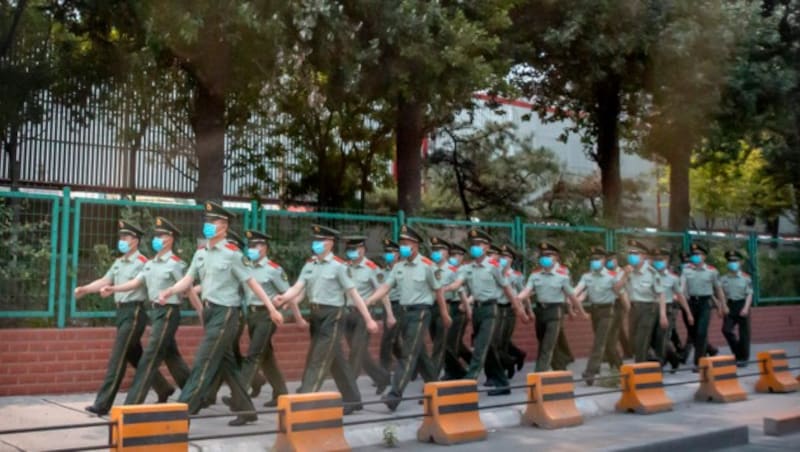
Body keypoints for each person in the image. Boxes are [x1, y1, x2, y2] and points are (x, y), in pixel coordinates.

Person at [158, 201, 283, 426]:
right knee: (227, 364)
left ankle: (182, 412)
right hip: (209, 312)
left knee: (204, 360)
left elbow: (252, 282)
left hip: (227, 313)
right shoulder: (201, 253)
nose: (208, 225)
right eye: (206, 221)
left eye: (213, 221)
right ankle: (247, 410)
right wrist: (170, 290)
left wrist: (272, 309)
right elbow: (189, 279)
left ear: (224, 226)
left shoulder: (233, 254)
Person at [273, 224, 379, 415]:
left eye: (320, 240)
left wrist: (369, 319)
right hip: (316, 316)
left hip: (334, 315)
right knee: (336, 359)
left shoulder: (339, 267)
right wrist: (284, 298)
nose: (316, 244)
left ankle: (302, 404)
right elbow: (298, 287)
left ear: (330, 243)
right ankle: (353, 399)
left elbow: (354, 295)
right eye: (315, 240)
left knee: (318, 358)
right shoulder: (310, 264)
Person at [76, 220, 174, 415]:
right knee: (135, 356)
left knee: (117, 359)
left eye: (126, 237)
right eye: (120, 237)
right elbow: (105, 280)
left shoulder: (143, 263)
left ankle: (102, 404)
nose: (121, 240)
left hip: (134, 313)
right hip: (121, 313)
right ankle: (164, 387)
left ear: (135, 241)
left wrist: (112, 289)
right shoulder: (119, 262)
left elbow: (138, 285)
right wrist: (85, 289)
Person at [101, 217, 200, 406]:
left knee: (149, 357)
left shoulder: (176, 264)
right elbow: (136, 283)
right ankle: (194, 392)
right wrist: (114, 289)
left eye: (162, 235)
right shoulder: (150, 264)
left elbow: (187, 289)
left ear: (170, 239)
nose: (157, 238)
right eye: (156, 235)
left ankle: (132, 404)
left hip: (170, 311)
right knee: (172, 356)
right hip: (156, 313)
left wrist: (201, 312)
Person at [365, 225, 451, 411]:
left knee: (408, 354)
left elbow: (439, 291)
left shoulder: (428, 266)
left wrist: (444, 314)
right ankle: (436, 388)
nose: (402, 246)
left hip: (421, 313)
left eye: (405, 243)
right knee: (419, 355)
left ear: (415, 245)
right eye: (401, 243)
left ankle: (394, 395)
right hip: (404, 313)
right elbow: (386, 287)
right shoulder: (398, 267)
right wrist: (370, 300)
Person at [443, 230, 527, 395]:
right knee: (488, 348)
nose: (476, 247)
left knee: (480, 347)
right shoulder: (468, 268)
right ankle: (503, 384)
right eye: (473, 244)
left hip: (491, 309)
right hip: (477, 311)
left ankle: (469, 380)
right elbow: (457, 283)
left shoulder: (494, 267)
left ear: (487, 247)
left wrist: (518, 308)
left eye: (479, 244)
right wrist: (443, 288)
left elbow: (506, 288)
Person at [238, 230, 305, 407]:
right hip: (251, 315)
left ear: (264, 248)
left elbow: (288, 294)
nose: (251, 249)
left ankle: (239, 395)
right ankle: (280, 393)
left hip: (268, 316)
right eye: (250, 246)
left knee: (253, 354)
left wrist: (298, 318)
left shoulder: (273, 270)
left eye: (255, 246)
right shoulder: (246, 267)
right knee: (266, 357)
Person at [516, 241, 581, 372]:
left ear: (556, 257)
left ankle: (540, 373)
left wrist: (573, 310)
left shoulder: (563, 273)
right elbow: (528, 290)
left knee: (548, 344)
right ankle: (561, 365)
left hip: (556, 310)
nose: (545, 258)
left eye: (549, 255)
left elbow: (570, 294)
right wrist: (518, 298)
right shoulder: (535, 275)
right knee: (546, 341)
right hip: (540, 310)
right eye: (542, 255)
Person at [342, 235, 392, 394]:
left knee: (356, 352)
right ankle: (382, 377)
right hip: (347, 314)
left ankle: (349, 391)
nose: (351, 252)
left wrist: (389, 314)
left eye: (355, 249)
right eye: (349, 249)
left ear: (362, 250)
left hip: (365, 315)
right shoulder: (343, 267)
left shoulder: (371, 268)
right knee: (361, 352)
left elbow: (383, 292)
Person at [573, 246, 621, 385]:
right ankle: (621, 368)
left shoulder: (612, 276)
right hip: (595, 311)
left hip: (608, 312)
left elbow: (620, 293)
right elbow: (579, 290)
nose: (594, 261)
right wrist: (571, 298)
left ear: (604, 260)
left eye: (598, 259)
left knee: (599, 342)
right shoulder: (587, 276)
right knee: (608, 343)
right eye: (592, 259)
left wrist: (627, 308)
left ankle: (590, 372)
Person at [615, 240, 668, 363]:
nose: (632, 256)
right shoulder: (626, 271)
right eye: (630, 253)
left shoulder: (652, 273)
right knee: (633, 341)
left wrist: (663, 315)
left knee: (641, 340)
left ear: (643, 256)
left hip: (648, 309)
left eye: (635, 253)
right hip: (633, 309)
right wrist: (624, 276)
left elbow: (661, 294)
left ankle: (640, 368)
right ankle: (650, 359)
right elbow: (616, 289)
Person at [681, 243, 727, 370]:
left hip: (705, 304)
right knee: (693, 333)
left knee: (701, 332)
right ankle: (710, 350)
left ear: (704, 256)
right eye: (693, 254)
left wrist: (722, 306)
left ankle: (699, 363)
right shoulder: (686, 270)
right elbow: (682, 289)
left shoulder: (712, 271)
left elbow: (718, 290)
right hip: (690, 303)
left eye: (698, 254)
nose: (695, 257)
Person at [650, 247, 693, 371]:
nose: (658, 261)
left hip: (668, 310)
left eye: (662, 259)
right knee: (653, 338)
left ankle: (660, 363)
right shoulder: (649, 274)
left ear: (667, 260)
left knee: (662, 337)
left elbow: (680, 296)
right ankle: (674, 358)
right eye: (656, 259)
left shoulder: (673, 278)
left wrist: (688, 313)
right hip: (652, 309)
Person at [427, 236, 459, 379]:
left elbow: (460, 288)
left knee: (439, 346)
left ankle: (432, 378)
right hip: (431, 308)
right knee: (439, 342)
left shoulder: (452, 270)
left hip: (445, 307)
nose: (436, 252)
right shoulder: (428, 268)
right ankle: (458, 371)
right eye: (434, 249)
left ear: (447, 252)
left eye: (439, 249)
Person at [442, 242, 472, 380]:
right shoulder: (446, 270)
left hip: (461, 307)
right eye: (452, 254)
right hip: (449, 307)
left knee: (452, 342)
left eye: (457, 255)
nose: (454, 257)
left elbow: (475, 290)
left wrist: (467, 306)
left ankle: (452, 371)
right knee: (455, 342)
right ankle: (473, 362)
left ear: (462, 256)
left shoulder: (467, 270)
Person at [497, 244, 527, 380]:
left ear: (511, 259)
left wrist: (526, 311)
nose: (503, 259)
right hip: (495, 308)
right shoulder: (495, 271)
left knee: (500, 341)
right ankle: (516, 356)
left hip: (508, 309)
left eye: (506, 257)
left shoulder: (516, 275)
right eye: (501, 256)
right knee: (499, 341)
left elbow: (523, 292)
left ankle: (506, 365)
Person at [719, 250, 753, 367]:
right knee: (726, 330)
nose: (732, 263)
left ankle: (743, 359)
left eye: (735, 261)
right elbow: (721, 294)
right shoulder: (723, 279)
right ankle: (737, 352)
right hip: (730, 306)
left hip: (742, 305)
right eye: (730, 261)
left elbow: (749, 294)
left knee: (744, 334)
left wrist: (746, 308)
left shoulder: (746, 277)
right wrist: (723, 306)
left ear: (740, 262)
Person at [378, 238, 403, 376]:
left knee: (389, 339)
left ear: (398, 254)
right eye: (386, 252)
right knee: (391, 339)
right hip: (388, 306)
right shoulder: (382, 271)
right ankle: (408, 365)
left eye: (391, 252)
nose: (388, 254)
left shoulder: (403, 269)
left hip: (401, 305)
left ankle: (384, 372)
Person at [604, 251, 631, 367]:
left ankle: (615, 355)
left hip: (620, 302)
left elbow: (623, 288)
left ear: (616, 260)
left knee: (614, 330)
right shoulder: (606, 273)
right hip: (609, 302)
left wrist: (627, 306)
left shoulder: (622, 272)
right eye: (608, 260)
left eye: (612, 260)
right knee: (617, 330)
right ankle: (624, 352)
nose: (610, 262)